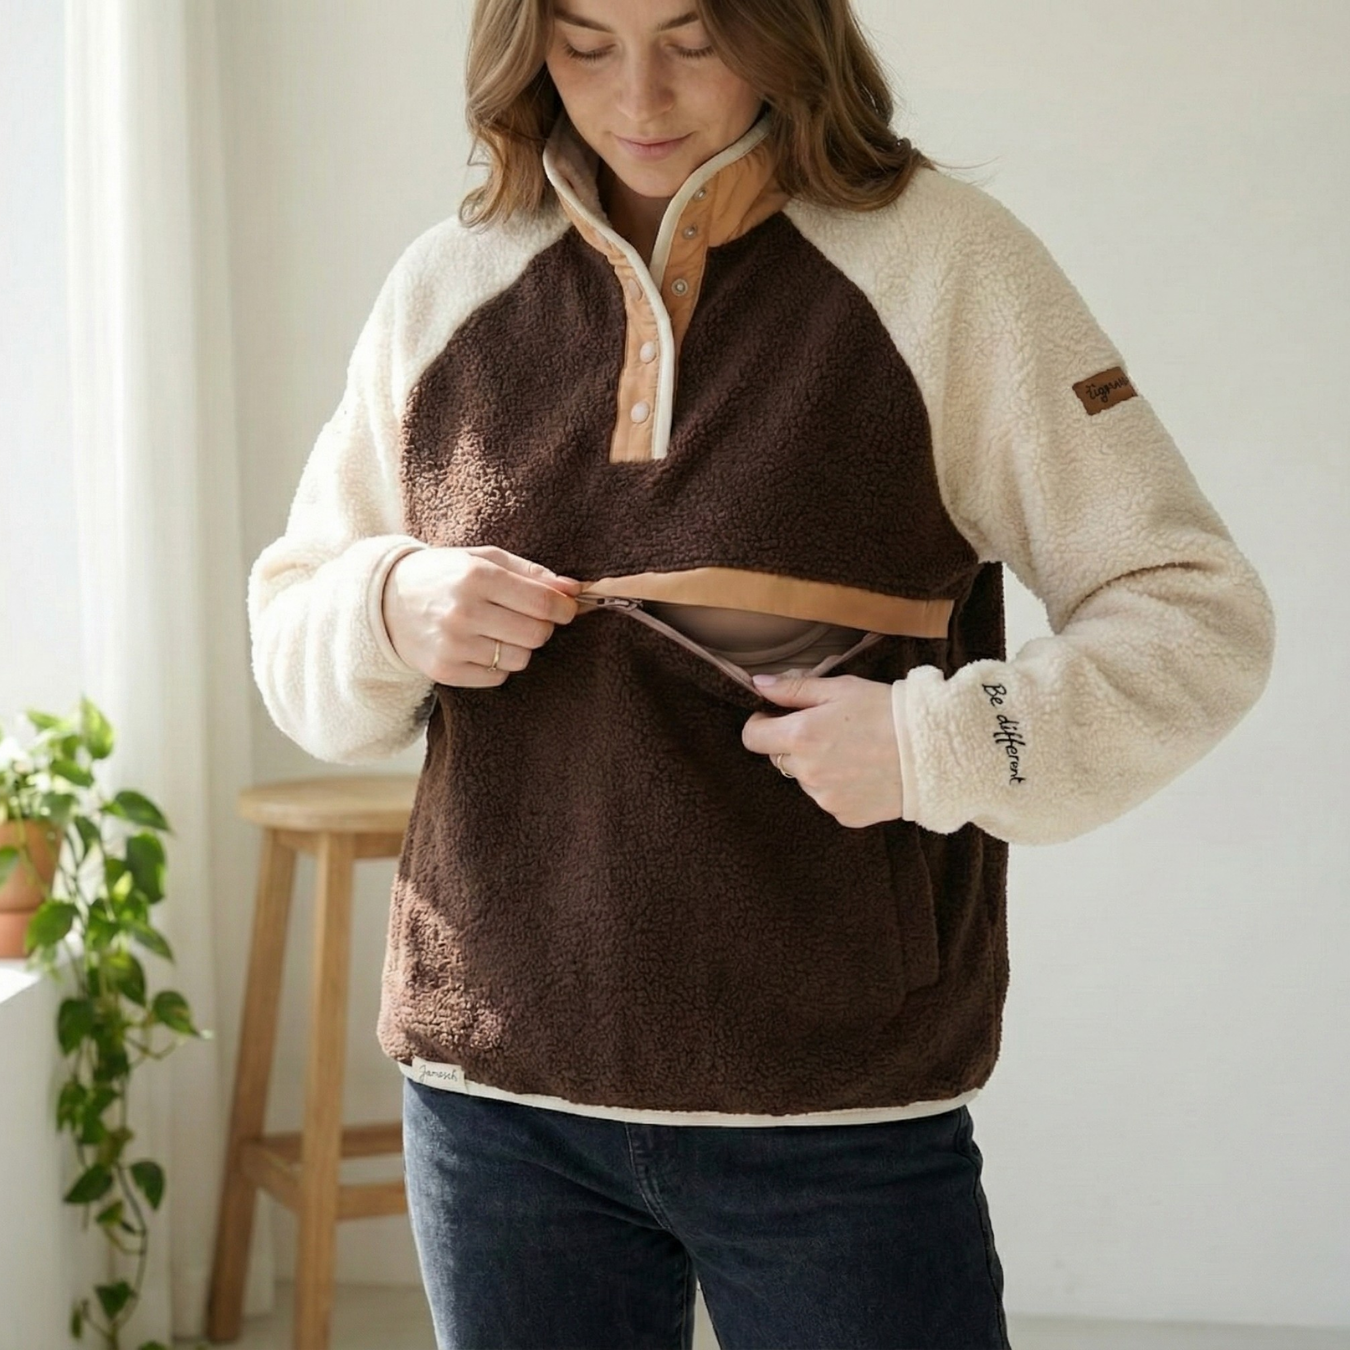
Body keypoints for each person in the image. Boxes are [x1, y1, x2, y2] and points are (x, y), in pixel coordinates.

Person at [246, 1, 1276, 1346]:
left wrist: (936, 745)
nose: (639, 98)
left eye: (692, 40)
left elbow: (1194, 612)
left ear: (785, 28)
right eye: (586, 43)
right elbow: (293, 630)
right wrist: (386, 606)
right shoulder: (449, 284)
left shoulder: (943, 267)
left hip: (833, 1108)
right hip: (495, 1101)